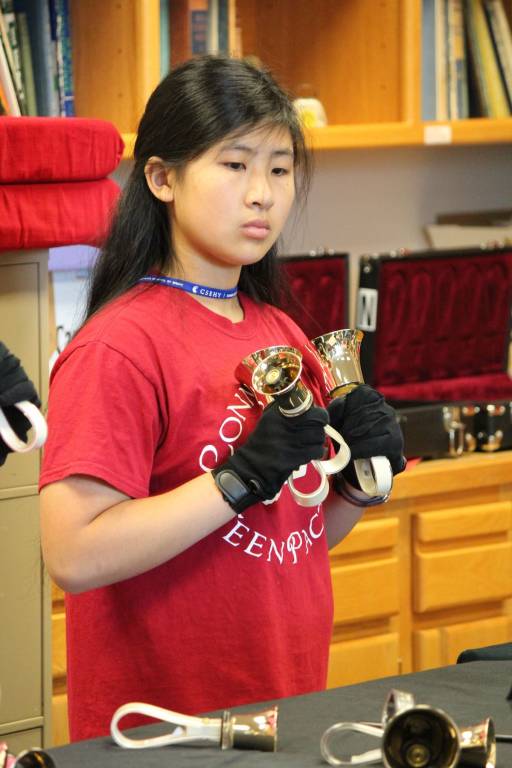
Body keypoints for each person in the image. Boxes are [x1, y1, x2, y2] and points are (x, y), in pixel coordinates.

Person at [39, 55, 405, 742]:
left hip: (286, 707)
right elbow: (74, 555)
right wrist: (237, 478)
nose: (262, 194)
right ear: (162, 178)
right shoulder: (118, 347)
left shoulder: (280, 331)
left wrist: (356, 485)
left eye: (280, 169)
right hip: (165, 730)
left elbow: (290, 538)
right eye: (235, 165)